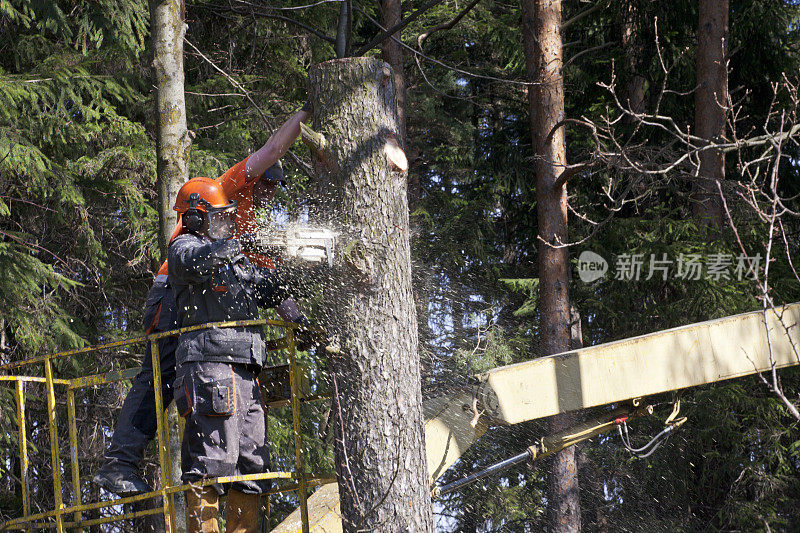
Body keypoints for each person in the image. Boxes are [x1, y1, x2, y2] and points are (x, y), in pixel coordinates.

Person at [94, 106, 311, 496]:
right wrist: (307, 111)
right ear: (254, 178)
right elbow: (276, 146)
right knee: (159, 377)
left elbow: (263, 285)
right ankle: (119, 462)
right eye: (264, 184)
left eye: (274, 188)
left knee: (188, 376)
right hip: (173, 291)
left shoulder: (246, 226)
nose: (267, 193)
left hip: (210, 300)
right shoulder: (222, 191)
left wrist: (300, 321)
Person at [168, 177, 310, 533]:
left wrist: (294, 275)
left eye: (229, 218)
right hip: (210, 368)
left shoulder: (237, 260)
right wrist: (238, 243)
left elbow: (267, 288)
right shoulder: (185, 248)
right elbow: (193, 260)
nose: (227, 225)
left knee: (253, 465)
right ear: (197, 217)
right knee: (212, 461)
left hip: (246, 373)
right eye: (219, 218)